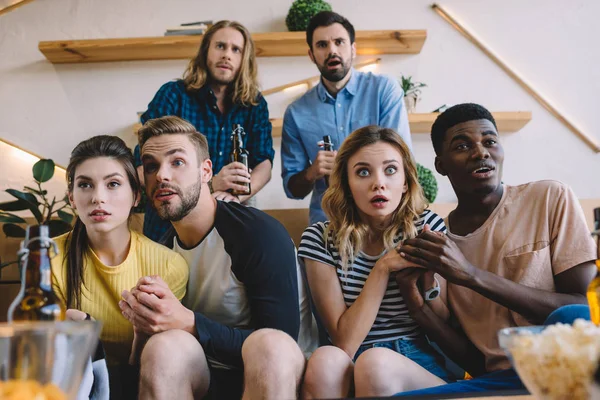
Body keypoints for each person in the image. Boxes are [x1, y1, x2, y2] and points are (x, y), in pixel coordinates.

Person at [367, 103, 597, 396]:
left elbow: (584, 311)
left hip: (569, 368)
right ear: (441, 165)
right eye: (462, 146)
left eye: (490, 141)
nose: (480, 152)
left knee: (565, 317)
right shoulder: (439, 240)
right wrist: (417, 308)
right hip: (501, 380)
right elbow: (475, 361)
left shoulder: (549, 197)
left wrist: (471, 275)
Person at [119, 116, 316, 399]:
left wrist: (189, 322)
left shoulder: (257, 233)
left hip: (281, 373)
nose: (162, 175)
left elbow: (282, 341)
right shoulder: (161, 251)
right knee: (163, 348)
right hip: (207, 373)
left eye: (177, 162)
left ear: (206, 171)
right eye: (152, 166)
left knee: (269, 346)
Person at [298, 125, 454, 398]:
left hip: (414, 359)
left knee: (376, 363)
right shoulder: (320, 239)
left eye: (390, 170)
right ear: (346, 183)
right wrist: (382, 269)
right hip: (351, 360)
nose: (378, 183)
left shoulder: (426, 226)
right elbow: (345, 342)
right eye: (363, 172)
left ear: (405, 181)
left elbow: (445, 321)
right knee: (325, 360)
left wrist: (429, 280)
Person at [51, 135, 189, 397]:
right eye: (85, 185)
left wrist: (141, 334)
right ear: (71, 197)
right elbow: (50, 359)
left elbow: (158, 366)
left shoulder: (168, 265)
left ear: (136, 195)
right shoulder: (48, 257)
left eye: (113, 184)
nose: (98, 198)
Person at [135, 20, 275, 243]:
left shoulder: (255, 104)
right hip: (167, 230)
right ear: (205, 51)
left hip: (228, 225)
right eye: (220, 46)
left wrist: (235, 198)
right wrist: (210, 185)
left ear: (243, 59)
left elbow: (264, 164)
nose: (227, 55)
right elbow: (143, 168)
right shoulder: (173, 95)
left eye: (235, 49)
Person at [281, 11, 412, 225]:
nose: (332, 50)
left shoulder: (384, 90)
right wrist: (312, 172)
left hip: (385, 221)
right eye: (322, 45)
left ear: (353, 48)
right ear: (311, 55)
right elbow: (292, 189)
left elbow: (404, 161)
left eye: (339, 42)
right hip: (328, 225)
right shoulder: (296, 112)